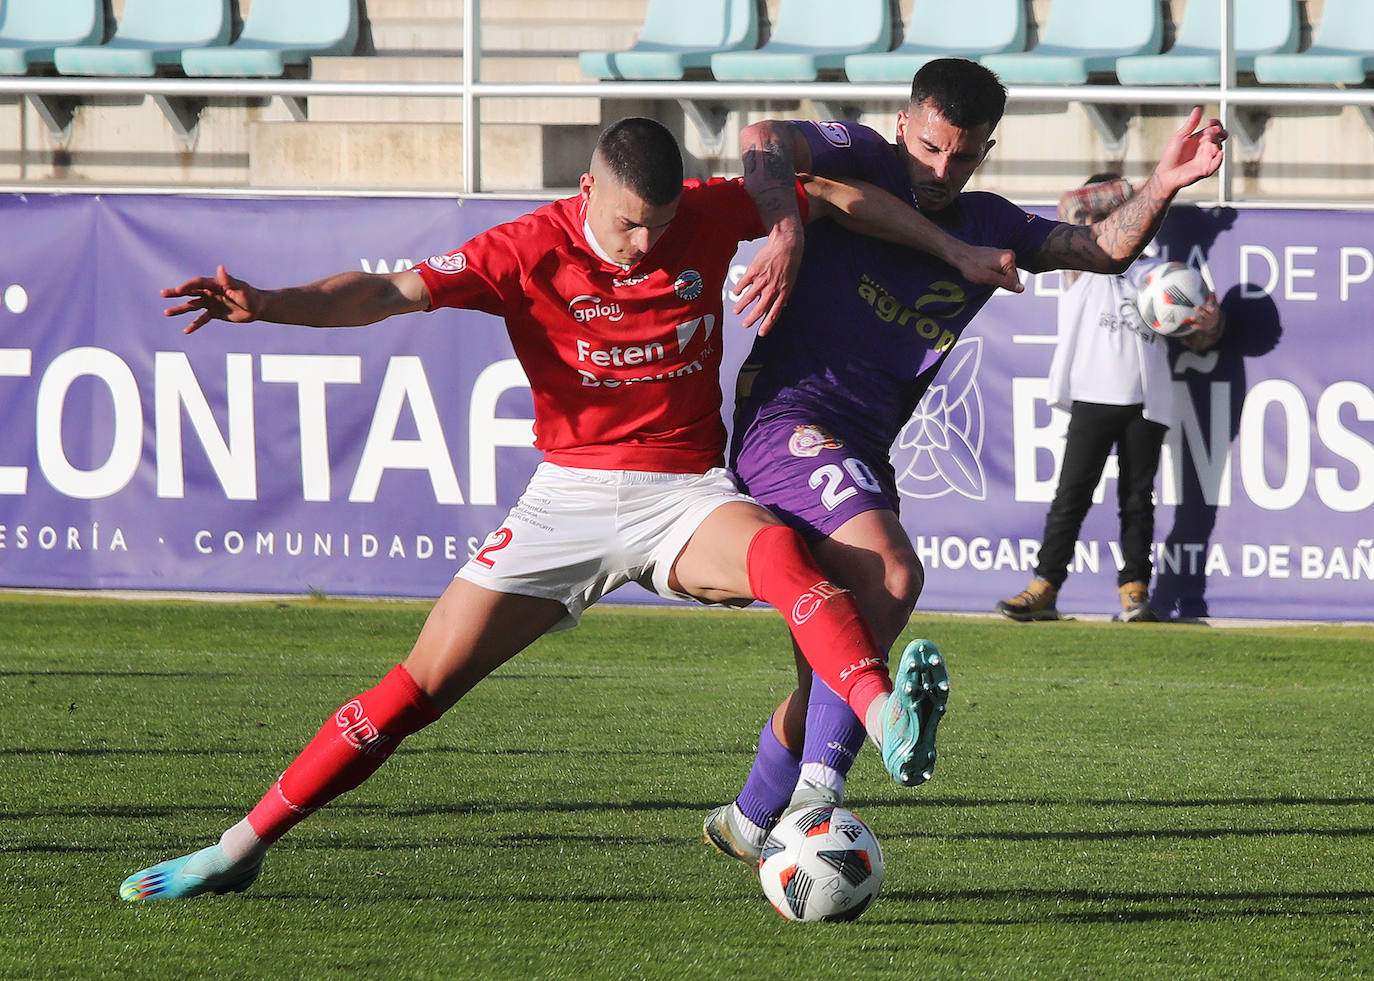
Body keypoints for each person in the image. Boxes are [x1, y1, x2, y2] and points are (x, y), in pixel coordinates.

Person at [118, 116, 1015, 902]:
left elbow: (824, 189)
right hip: (568, 500)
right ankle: (237, 848)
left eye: (659, 226)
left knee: (782, 555)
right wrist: (268, 305)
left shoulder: (705, 212)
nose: (642, 242)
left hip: (683, 494)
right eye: (627, 222)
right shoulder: (523, 249)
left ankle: (883, 711)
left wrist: (792, 229)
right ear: (589, 188)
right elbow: (387, 293)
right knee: (414, 691)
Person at [701, 58, 1227, 863]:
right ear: (906, 122)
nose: (944, 170)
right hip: (790, 419)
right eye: (934, 147)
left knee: (835, 663)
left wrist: (1161, 184)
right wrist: (786, 227)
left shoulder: (989, 220)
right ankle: (816, 804)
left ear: (987, 148)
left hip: (866, 447)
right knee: (893, 574)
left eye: (966, 154)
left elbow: (1100, 249)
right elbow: (766, 138)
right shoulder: (861, 156)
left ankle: (747, 816)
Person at [996, 174, 1225, 624]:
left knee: (1138, 500)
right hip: (1092, 393)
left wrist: (1211, 326)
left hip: (1147, 399)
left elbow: (1199, 343)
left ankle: (1134, 591)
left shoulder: (1159, 273)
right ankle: (1044, 587)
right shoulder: (1083, 261)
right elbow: (1071, 203)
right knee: (1072, 496)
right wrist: (1144, 191)